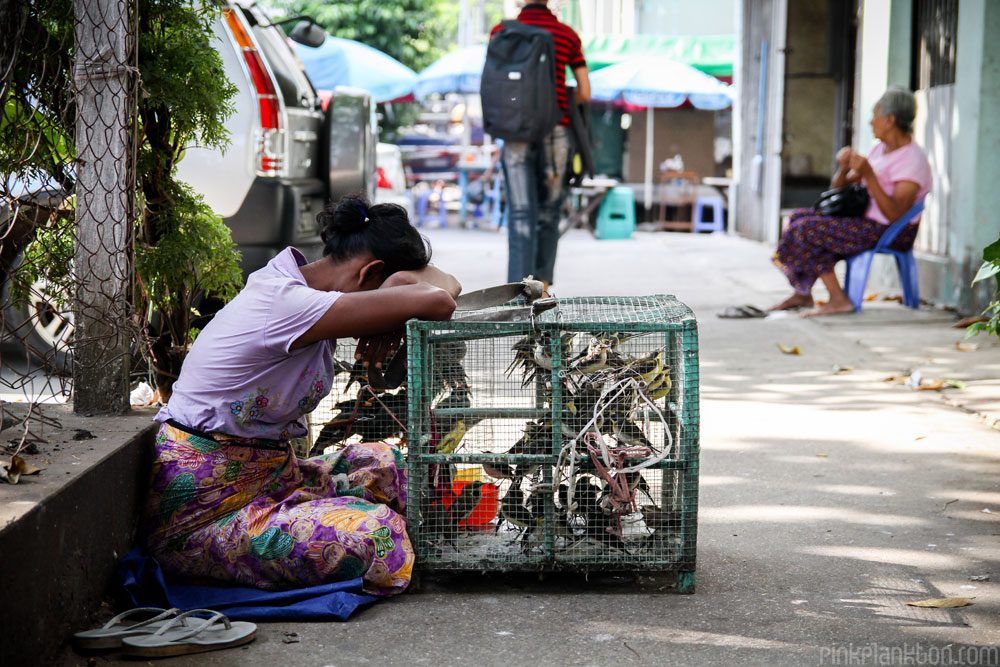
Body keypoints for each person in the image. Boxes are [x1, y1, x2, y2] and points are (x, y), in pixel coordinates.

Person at [141, 196, 461, 597]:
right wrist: (406, 290)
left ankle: (304, 516)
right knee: (382, 536)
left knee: (389, 466)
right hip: (206, 516)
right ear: (372, 271)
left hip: (271, 480)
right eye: (385, 291)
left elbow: (447, 285)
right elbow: (440, 298)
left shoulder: (301, 287)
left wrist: (401, 283)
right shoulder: (289, 302)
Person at [771, 87, 932, 317]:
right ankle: (803, 292)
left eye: (874, 115)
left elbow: (895, 215)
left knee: (808, 230)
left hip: (892, 231)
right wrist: (845, 167)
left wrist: (869, 174)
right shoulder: (879, 149)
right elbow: (837, 190)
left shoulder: (912, 160)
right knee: (798, 217)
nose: (870, 122)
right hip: (864, 221)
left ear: (890, 120)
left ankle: (839, 300)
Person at [489, 0, 590, 293]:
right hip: (555, 130)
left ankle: (518, 291)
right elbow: (584, 91)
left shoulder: (501, 32)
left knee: (520, 213)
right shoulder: (567, 35)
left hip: (515, 131)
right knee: (549, 211)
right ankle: (542, 288)